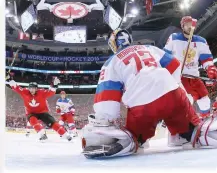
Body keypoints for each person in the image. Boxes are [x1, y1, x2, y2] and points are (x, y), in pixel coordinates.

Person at [81, 28, 217, 159]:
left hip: (142, 106)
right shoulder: (149, 48)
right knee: (193, 129)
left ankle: (129, 141)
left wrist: (107, 119)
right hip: (172, 95)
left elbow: (108, 98)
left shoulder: (111, 62)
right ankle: (190, 134)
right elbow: (175, 65)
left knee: (135, 136)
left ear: (113, 44)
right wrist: (178, 89)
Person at [164, 16, 217, 118]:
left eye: (192, 24)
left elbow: (206, 59)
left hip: (194, 76)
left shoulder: (201, 41)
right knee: (186, 101)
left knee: (205, 101)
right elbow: (165, 55)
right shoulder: (174, 38)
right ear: (182, 26)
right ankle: (185, 126)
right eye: (187, 24)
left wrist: (210, 68)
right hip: (179, 77)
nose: (190, 26)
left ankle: (204, 122)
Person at [8, 77, 72, 141]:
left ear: (36, 89)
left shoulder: (41, 92)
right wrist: (10, 80)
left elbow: (51, 92)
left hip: (43, 112)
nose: (31, 90)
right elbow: (16, 87)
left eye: (33, 88)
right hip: (31, 113)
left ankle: (65, 135)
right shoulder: (24, 92)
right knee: (33, 121)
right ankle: (42, 134)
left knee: (53, 123)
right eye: (30, 88)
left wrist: (54, 86)